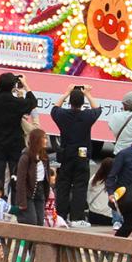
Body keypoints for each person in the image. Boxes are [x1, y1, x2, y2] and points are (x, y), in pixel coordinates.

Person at [50, 86, 102, 224]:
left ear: (69, 102)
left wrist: (66, 92)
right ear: (82, 103)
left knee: (63, 185)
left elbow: (55, 108)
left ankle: (60, 216)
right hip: (82, 155)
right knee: (80, 186)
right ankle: (77, 218)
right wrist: (88, 93)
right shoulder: (87, 116)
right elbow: (97, 109)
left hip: (66, 154)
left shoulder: (62, 115)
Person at [0, 73, 40, 190]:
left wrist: (2, 85)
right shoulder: (18, 103)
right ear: (13, 86)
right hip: (15, 142)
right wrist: (25, 84)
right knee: (15, 175)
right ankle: (14, 201)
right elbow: (33, 101)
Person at [13, 126, 50, 226]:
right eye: (44, 138)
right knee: (31, 221)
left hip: (40, 191)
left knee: (39, 222)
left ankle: (33, 242)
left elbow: (46, 177)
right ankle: (24, 242)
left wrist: (46, 194)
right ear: (37, 140)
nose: (46, 140)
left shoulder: (44, 156)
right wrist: (22, 201)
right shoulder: (26, 157)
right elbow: (20, 180)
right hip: (28, 193)